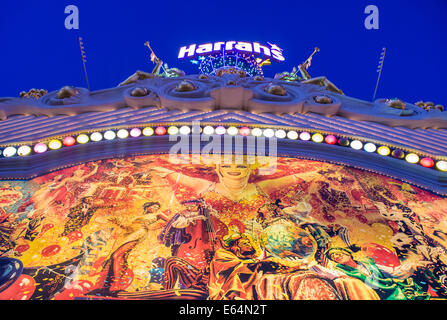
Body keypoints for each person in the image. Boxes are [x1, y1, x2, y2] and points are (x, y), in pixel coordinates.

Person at [208, 231, 343, 300]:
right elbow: (236, 269)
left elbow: (269, 265)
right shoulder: (222, 254)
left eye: (249, 243)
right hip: (236, 286)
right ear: (234, 246)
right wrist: (260, 263)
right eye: (244, 243)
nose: (249, 245)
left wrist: (293, 267)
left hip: (259, 278)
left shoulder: (254, 258)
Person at [325, 247, 429, 300]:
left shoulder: (368, 262)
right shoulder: (340, 272)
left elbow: (392, 272)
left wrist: (412, 265)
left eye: (338, 253)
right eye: (333, 257)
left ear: (348, 254)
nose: (336, 256)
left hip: (392, 291)